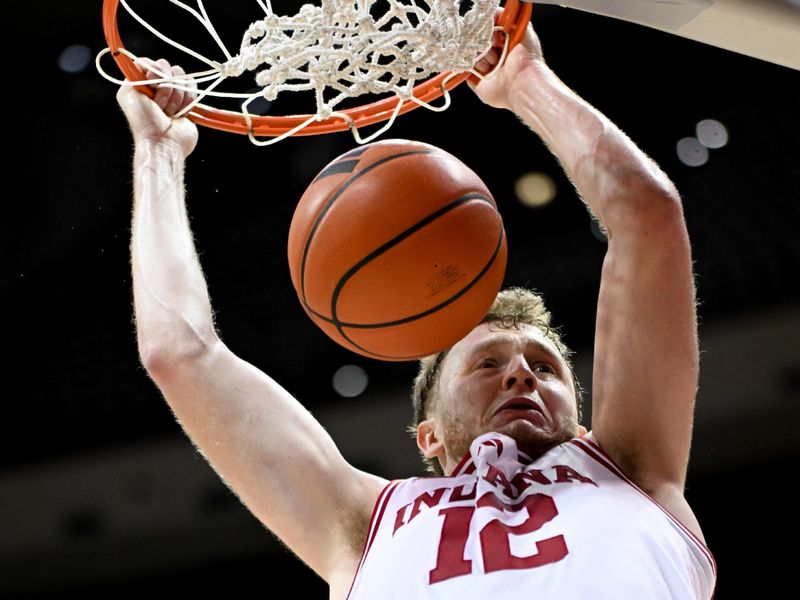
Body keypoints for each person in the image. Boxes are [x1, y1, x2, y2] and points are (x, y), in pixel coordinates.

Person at [116, 17, 715, 600]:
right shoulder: (360, 523)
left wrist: (527, 80)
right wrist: (158, 151)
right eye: (486, 364)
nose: (522, 373)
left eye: (546, 367)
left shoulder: (631, 469)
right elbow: (179, 353)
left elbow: (648, 214)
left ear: (582, 427)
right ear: (427, 435)